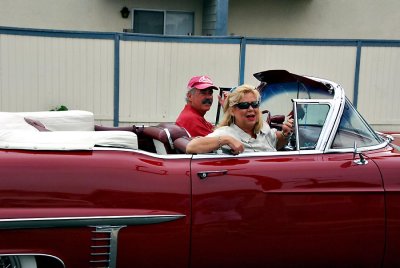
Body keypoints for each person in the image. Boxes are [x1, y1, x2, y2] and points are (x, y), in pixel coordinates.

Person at [186, 84, 293, 154]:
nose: (251, 109)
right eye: (244, 105)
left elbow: (275, 143)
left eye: (255, 104)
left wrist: (285, 134)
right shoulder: (226, 132)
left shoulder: (263, 127)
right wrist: (226, 140)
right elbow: (191, 147)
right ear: (232, 111)